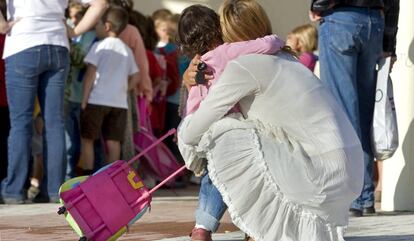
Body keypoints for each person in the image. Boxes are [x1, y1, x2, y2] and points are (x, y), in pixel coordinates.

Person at [178, 0, 364, 240]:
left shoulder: (241, 67)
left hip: (318, 177)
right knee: (256, 129)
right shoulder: (288, 59)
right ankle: (253, 231)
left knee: (221, 130)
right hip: (348, 171)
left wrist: (189, 90)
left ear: (230, 33)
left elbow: (193, 131)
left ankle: (248, 229)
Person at [0, 0, 108, 204]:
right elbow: (100, 4)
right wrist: (75, 32)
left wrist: (2, 25)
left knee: (21, 123)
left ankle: (14, 190)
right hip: (58, 44)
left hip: (23, 42)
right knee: (55, 123)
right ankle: (53, 190)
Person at [309, 0, 400, 216]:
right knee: (367, 112)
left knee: (342, 110)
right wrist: (389, 44)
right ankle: (364, 195)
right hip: (375, 22)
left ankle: (354, 196)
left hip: (340, 18)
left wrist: (318, 4)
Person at [78, 6, 138, 173]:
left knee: (87, 139)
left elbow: (90, 74)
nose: (95, 28)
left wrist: (84, 100)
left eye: (97, 24)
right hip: (119, 103)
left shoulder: (99, 46)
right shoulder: (127, 50)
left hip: (96, 100)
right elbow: (136, 76)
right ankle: (110, 176)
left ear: (107, 26)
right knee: (113, 141)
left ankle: (87, 175)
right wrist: (124, 89)